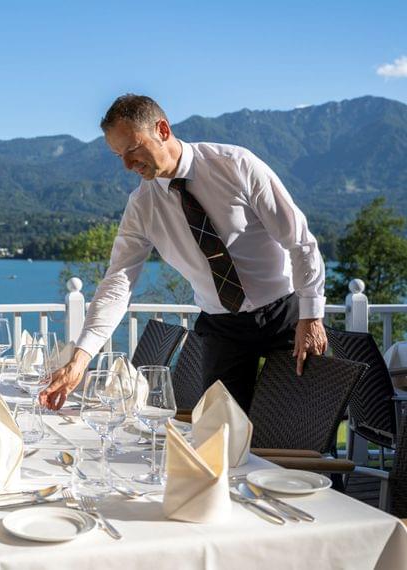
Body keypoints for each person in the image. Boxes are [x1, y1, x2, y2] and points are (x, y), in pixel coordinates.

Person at [42, 94, 328, 413]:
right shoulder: (142, 206)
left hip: (285, 317)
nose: (126, 165)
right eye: (118, 155)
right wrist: (82, 358)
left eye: (132, 149)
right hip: (222, 329)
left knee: (299, 423)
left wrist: (312, 316)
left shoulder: (236, 165)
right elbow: (117, 284)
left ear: (162, 130)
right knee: (219, 437)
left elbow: (299, 241)